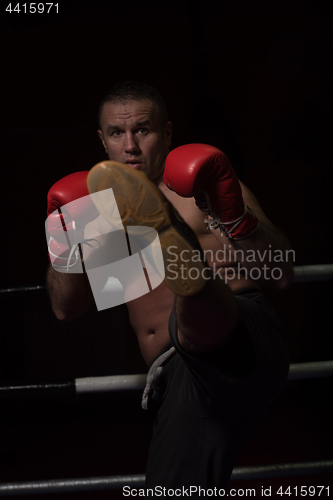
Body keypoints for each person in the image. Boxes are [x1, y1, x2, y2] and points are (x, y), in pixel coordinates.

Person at [46, 81, 293, 494]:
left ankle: (188, 270)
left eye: (143, 130)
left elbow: (281, 274)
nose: (130, 146)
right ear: (102, 140)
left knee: (194, 318)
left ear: (169, 133)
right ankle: (185, 264)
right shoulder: (93, 213)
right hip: (182, 378)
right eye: (117, 133)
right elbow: (64, 309)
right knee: (175, 486)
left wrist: (236, 220)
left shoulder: (205, 187)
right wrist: (65, 240)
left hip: (245, 338)